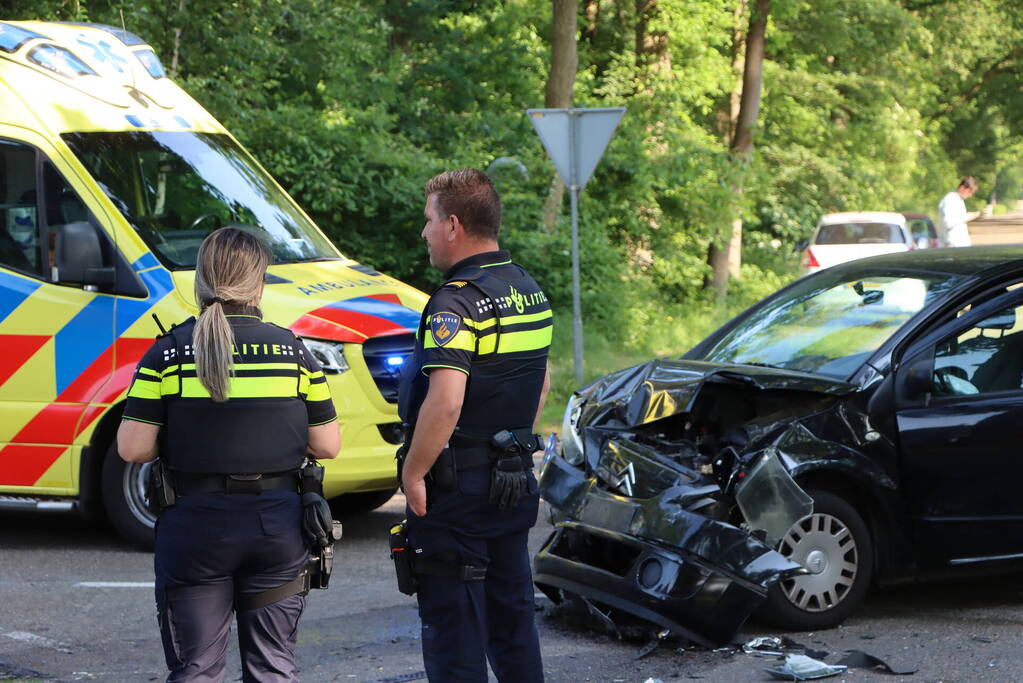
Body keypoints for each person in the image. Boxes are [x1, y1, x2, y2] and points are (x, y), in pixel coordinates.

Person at [116, 227, 340, 682]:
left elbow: (133, 447)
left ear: (200, 280)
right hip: (277, 526)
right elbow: (326, 445)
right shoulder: (293, 352)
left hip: (196, 527)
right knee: (273, 669)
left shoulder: (169, 353)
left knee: (196, 669)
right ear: (258, 284)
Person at [398, 169, 552, 682]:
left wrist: (414, 474)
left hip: (457, 492)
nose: (424, 232)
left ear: (453, 225)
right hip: (511, 482)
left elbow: (444, 403)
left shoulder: (455, 302)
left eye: (428, 221)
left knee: (455, 633)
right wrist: (507, 444)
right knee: (513, 625)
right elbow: (543, 379)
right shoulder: (527, 287)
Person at [937, 176, 980, 247]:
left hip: (959, 244)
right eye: (970, 192)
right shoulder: (950, 199)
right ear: (962, 188)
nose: (970, 195)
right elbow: (947, 222)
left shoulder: (958, 199)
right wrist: (967, 217)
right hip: (953, 245)